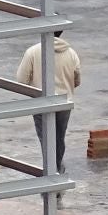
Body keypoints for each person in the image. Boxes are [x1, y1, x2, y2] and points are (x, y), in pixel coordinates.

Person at [17, 31, 81, 173]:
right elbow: (77, 80)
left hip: (41, 102)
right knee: (59, 138)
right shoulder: (71, 53)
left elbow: (21, 80)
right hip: (64, 102)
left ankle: (52, 174)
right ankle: (58, 169)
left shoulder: (32, 52)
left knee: (46, 140)